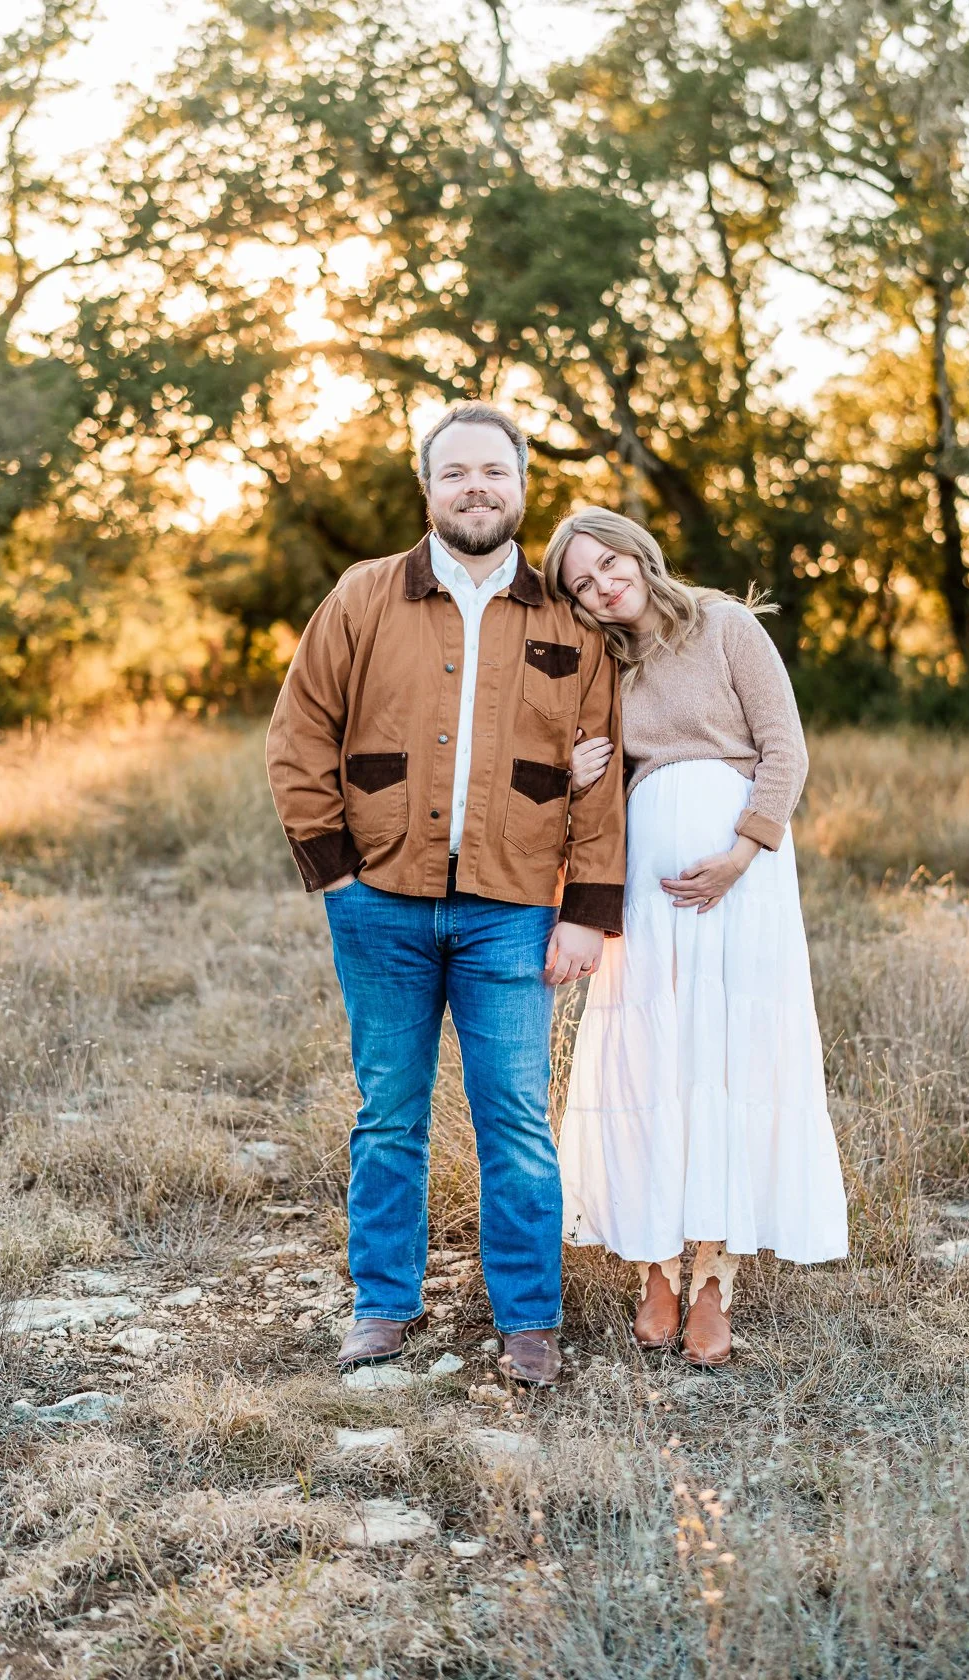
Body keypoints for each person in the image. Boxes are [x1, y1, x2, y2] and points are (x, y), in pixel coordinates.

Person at [266, 406, 626, 1387]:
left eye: (495, 473)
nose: (477, 488)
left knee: (514, 1117)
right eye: (455, 472)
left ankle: (528, 1322)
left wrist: (588, 912)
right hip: (377, 899)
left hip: (513, 911)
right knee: (388, 1115)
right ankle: (383, 1306)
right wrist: (334, 872)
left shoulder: (569, 617)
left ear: (521, 489)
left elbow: (602, 783)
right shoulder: (364, 596)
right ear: (426, 489)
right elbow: (299, 735)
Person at [543, 508, 847, 1368]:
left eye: (610, 564)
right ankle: (656, 1269)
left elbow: (786, 751)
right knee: (652, 1059)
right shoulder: (601, 661)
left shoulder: (726, 625)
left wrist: (741, 852)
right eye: (583, 583)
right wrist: (575, 771)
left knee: (726, 1055)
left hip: (738, 880)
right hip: (645, 879)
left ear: (638, 552)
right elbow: (577, 762)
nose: (604, 585)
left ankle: (715, 1277)